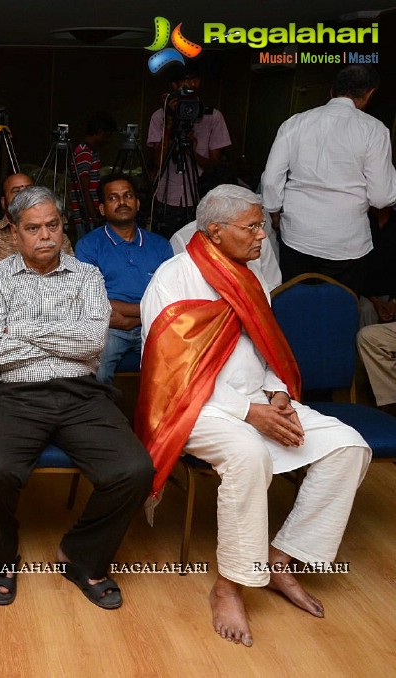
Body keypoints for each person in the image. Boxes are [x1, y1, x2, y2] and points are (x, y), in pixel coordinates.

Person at [138, 184, 371, 647]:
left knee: (348, 445)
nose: (263, 235)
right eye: (252, 226)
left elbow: (268, 348)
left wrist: (279, 393)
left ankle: (281, 560)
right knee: (247, 454)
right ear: (216, 231)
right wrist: (248, 412)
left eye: (261, 225)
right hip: (197, 410)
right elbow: (169, 371)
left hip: (260, 401)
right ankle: (230, 584)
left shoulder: (251, 277)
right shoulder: (173, 277)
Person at [0, 185, 153, 609]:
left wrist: (21, 331)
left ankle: (81, 554)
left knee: (134, 469)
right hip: (12, 394)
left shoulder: (87, 275)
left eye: (52, 225)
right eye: (33, 228)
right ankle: (1, 554)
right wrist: (60, 336)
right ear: (15, 234)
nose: (45, 236)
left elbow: (92, 342)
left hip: (81, 393)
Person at [262, 65, 396, 296]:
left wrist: (274, 213)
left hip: (297, 235)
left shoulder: (295, 122)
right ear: (370, 94)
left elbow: (272, 178)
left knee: (295, 304)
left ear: (332, 91)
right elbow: (381, 196)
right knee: (339, 310)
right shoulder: (375, 131)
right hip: (347, 243)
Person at [74, 174, 173, 383]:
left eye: (127, 196)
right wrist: (146, 310)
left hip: (154, 325)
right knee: (95, 370)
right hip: (112, 328)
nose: (121, 202)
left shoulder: (160, 245)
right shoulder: (88, 246)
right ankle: (102, 417)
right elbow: (92, 300)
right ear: (102, 209)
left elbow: (172, 299)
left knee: (182, 363)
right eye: (113, 198)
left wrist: (135, 318)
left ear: (137, 203)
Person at [0, 173, 73, 307]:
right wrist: (0, 318)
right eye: (16, 191)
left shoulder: (57, 237)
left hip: (53, 317)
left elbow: (70, 280)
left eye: (28, 189)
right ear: (3, 202)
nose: (23, 195)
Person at [147, 65, 231, 238]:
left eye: (194, 78)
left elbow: (214, 165)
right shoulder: (159, 116)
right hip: (165, 196)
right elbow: (157, 162)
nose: (191, 84)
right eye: (185, 80)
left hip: (199, 197)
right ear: (174, 85)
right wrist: (169, 125)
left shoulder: (212, 116)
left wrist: (192, 153)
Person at [70, 112, 116, 238]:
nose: (108, 140)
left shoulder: (91, 151)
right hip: (86, 214)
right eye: (108, 135)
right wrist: (92, 213)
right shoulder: (84, 151)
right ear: (101, 132)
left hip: (89, 212)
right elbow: (84, 185)